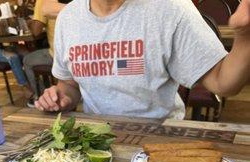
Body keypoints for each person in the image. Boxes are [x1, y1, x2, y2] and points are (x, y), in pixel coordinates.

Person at [35, 0, 250, 120]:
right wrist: (61, 96)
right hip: (97, 142)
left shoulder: (170, 8)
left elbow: (223, 82)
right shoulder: (69, 17)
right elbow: (69, 84)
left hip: (161, 136)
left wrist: (245, 37)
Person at [23, 0, 66, 106]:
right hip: (77, 51)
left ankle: (41, 97)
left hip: (58, 55)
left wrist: (29, 22)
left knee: (27, 60)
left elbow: (36, 31)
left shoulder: (43, 2)